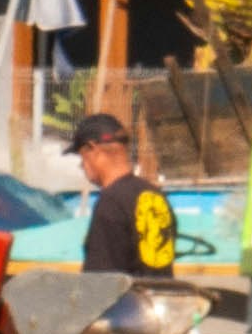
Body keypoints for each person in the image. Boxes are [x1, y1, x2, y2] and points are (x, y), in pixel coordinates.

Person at [65, 107, 177, 276]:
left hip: (129, 301)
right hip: (160, 299)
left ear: (92, 149)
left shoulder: (111, 202)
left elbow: (100, 282)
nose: (82, 166)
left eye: (82, 158)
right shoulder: (155, 195)